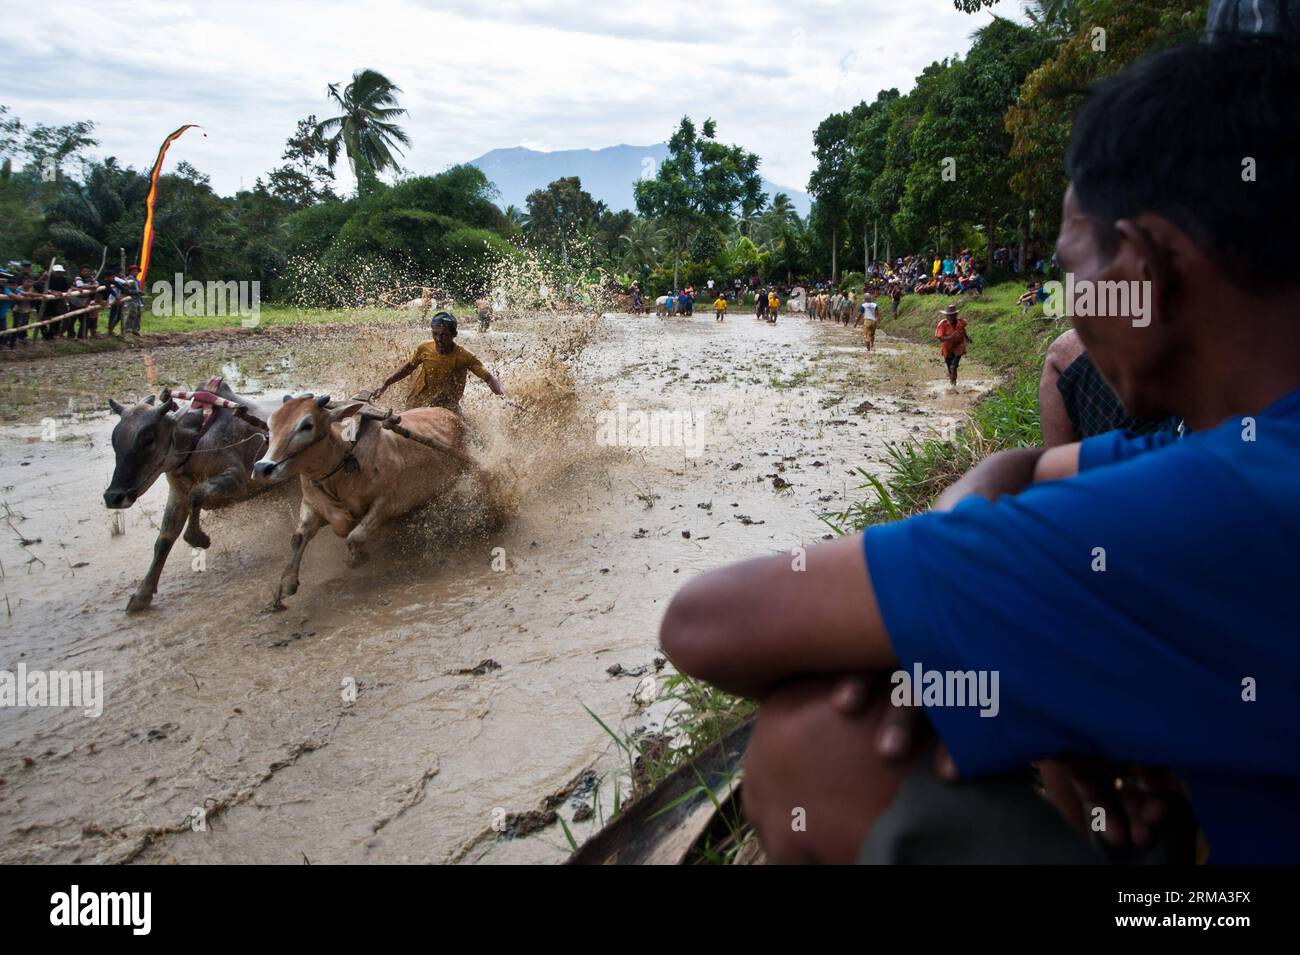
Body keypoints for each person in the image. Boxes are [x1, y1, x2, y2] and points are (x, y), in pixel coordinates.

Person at [659, 34, 1300, 866]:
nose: (1071, 310)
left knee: (818, 741)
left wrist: (959, 630)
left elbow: (704, 619)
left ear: (1139, 266)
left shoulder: (1211, 504)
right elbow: (1025, 467)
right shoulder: (1232, 447)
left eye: (1074, 271)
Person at [373, 311, 508, 413]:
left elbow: (489, 378)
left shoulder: (465, 357)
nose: (439, 339)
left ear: (454, 335)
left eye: (444, 335)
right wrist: (386, 384)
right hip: (417, 402)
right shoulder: (424, 348)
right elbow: (408, 368)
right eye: (435, 334)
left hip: (447, 407)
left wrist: (505, 398)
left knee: (471, 437)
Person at [934, 303, 969, 388]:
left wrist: (967, 337)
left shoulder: (961, 322)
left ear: (955, 315)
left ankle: (953, 387)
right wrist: (950, 337)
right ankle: (953, 383)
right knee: (951, 368)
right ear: (946, 315)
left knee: (953, 367)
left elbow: (962, 329)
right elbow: (940, 338)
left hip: (958, 346)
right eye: (948, 315)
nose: (950, 317)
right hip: (947, 348)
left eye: (952, 315)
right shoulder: (942, 324)